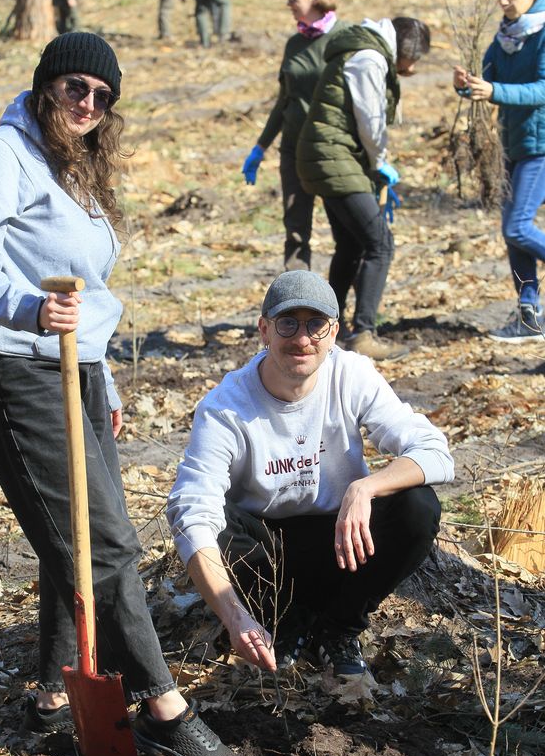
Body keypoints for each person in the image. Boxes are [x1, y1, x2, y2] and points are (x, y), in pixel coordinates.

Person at [0, 32, 240, 756]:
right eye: (76, 87)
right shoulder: (1, 153)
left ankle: (51, 690)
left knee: (70, 530)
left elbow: (90, 292)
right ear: (47, 83)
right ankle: (160, 703)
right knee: (102, 540)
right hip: (14, 365)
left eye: (102, 97)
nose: (88, 104)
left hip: (74, 367)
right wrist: (28, 308)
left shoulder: (72, 167)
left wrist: (99, 376)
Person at [166, 271, 453, 678]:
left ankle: (338, 628)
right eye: (288, 323)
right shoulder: (225, 406)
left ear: (333, 332)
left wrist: (364, 487)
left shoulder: (352, 375)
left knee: (417, 504)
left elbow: (435, 453)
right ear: (264, 329)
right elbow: (190, 509)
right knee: (215, 523)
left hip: (345, 544)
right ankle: (285, 624)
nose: (302, 339)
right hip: (267, 558)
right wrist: (233, 617)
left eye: (316, 325)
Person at [296, 16, 431, 360]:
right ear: (406, 49)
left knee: (351, 245)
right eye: (412, 61)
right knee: (380, 244)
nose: (410, 68)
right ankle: (364, 332)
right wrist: (379, 161)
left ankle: (323, 329)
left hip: (327, 157)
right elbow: (370, 120)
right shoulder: (369, 58)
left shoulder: (360, 49)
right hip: (334, 158)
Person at [453, 0, 545, 342]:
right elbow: (487, 79)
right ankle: (529, 318)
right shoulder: (507, 34)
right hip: (512, 144)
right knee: (511, 235)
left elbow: (542, 89)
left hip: (541, 146)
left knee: (517, 226)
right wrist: (467, 84)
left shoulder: (541, 33)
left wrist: (496, 92)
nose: (504, 2)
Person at [241, 0, 346, 271]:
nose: (288, 3)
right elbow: (284, 100)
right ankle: (299, 307)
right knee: (296, 230)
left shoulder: (343, 38)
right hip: (294, 149)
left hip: (332, 150)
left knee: (346, 229)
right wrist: (261, 147)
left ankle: (341, 307)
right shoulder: (294, 44)